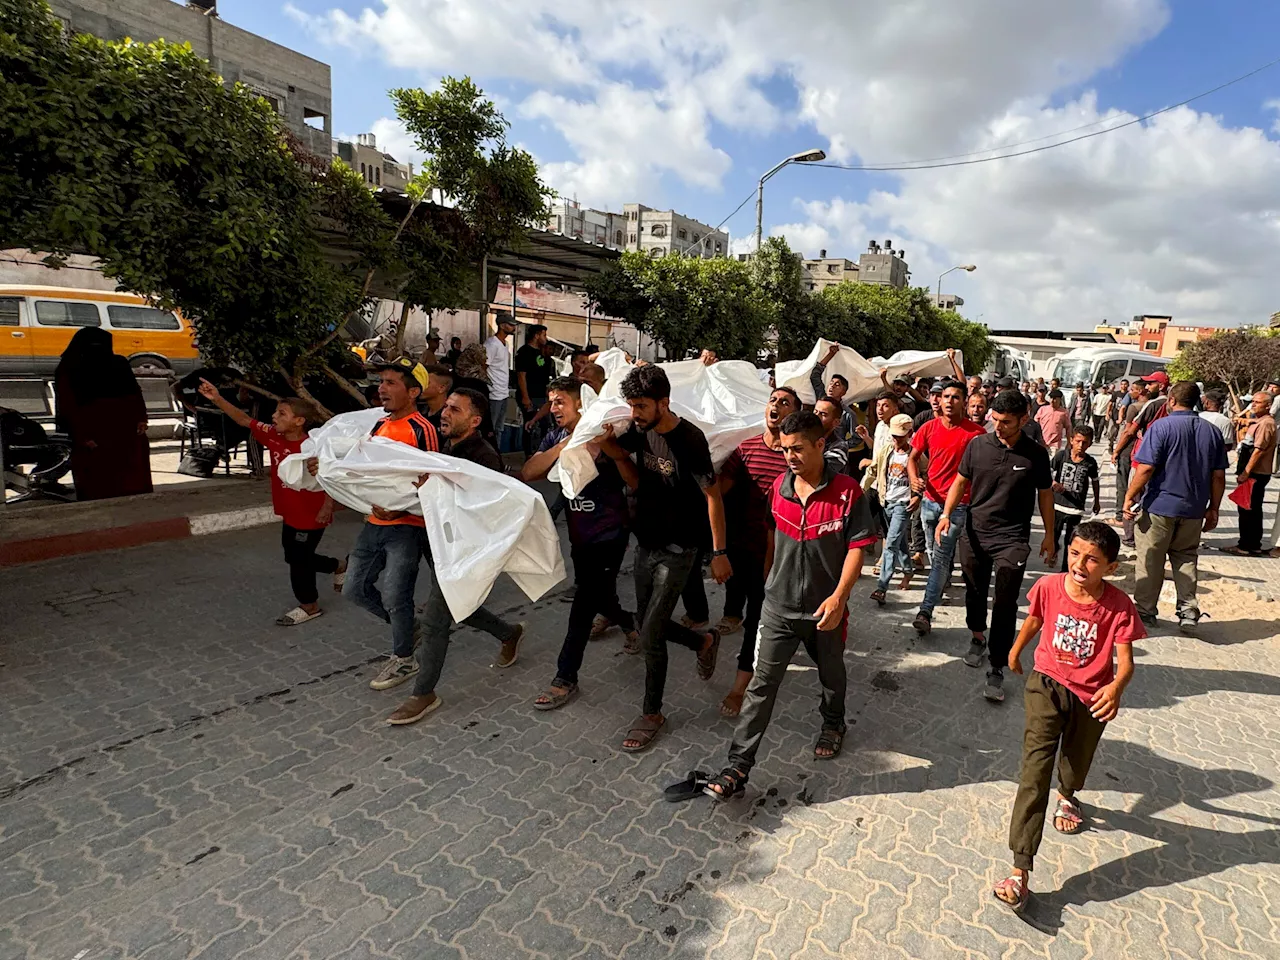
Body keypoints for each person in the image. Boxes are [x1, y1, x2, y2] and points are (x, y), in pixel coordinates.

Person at [702, 411, 877, 799]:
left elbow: (857, 549)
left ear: (819, 445)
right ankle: (738, 766)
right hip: (778, 609)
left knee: (831, 675)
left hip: (824, 612)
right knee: (762, 686)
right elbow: (771, 539)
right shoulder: (779, 487)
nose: (790, 457)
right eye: (784, 450)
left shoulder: (848, 492)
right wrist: (767, 584)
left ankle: (833, 724)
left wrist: (839, 597)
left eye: (798, 449)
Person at [992, 521, 1143, 913]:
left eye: (1092, 559)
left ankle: (1068, 795)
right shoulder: (1048, 586)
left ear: (1110, 568)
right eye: (1075, 553)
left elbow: (1125, 663)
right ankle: (1020, 869)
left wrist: (1115, 688)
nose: (1080, 564)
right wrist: (1015, 649)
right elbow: (1036, 619)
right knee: (1033, 772)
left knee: (1075, 764)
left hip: (1092, 697)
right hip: (1046, 684)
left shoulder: (1119, 606)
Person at [598, 364, 730, 753]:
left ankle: (652, 712)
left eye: (641, 406)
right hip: (647, 542)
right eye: (631, 405)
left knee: (651, 632)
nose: (634, 414)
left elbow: (712, 495)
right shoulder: (638, 431)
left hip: (681, 547)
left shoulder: (690, 439)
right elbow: (637, 480)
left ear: (664, 402)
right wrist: (614, 452)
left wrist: (718, 553)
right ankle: (703, 642)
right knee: (643, 620)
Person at [385, 386, 526, 725]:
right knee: (463, 609)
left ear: (475, 420)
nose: (444, 413)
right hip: (444, 547)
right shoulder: (450, 447)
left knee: (435, 622)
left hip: (466, 553)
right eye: (446, 407)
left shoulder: (483, 458)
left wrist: (428, 492)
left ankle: (423, 693)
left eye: (455, 410)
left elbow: (481, 511)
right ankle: (509, 633)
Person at [519, 377, 638, 709]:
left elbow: (633, 480)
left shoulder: (608, 433)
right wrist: (564, 446)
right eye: (551, 402)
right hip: (580, 534)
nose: (553, 408)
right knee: (599, 593)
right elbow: (529, 472)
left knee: (584, 603)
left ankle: (565, 677)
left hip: (610, 533)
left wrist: (609, 449)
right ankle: (632, 624)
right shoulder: (556, 436)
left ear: (580, 404)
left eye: (560, 402)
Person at [322, 358, 439, 692]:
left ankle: (404, 658)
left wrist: (398, 508)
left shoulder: (421, 428)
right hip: (374, 522)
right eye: (381, 381)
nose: (382, 388)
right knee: (354, 588)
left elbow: (430, 480)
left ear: (413, 391)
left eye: (391, 383)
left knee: (395, 594)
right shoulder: (378, 426)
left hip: (407, 526)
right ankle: (409, 629)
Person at [941, 389, 1055, 701]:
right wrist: (946, 514)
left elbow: (1045, 494)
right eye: (995, 419)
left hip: (1013, 539)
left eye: (1006, 422)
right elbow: (960, 482)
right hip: (975, 533)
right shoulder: (977, 445)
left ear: (1024, 419)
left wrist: (1049, 534)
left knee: (1005, 603)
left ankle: (997, 665)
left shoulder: (1036, 454)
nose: (998, 426)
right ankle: (977, 636)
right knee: (975, 592)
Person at [198, 380, 341, 625]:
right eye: (275, 412)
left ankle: (309, 605)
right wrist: (217, 398)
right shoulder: (274, 435)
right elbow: (244, 420)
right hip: (288, 508)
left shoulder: (313, 447)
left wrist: (328, 507)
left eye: (281, 413)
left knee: (299, 560)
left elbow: (331, 478)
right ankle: (339, 566)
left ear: (299, 421)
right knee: (294, 555)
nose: (274, 416)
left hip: (311, 511)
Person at [714, 386, 800, 717]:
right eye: (773, 400)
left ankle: (740, 687)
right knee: (744, 603)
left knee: (758, 620)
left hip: (776, 553)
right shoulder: (746, 448)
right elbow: (720, 490)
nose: (776, 405)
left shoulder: (794, 456)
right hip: (739, 546)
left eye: (785, 403)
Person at [1124, 381, 1226, 632]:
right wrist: (1214, 508)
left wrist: (1130, 496)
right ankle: (1188, 611)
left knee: (1150, 560)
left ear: (1171, 400)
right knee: (1186, 558)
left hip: (1159, 506)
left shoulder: (1161, 427)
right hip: (1193, 509)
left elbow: (1146, 468)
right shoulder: (1211, 432)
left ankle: (1146, 612)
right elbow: (1219, 476)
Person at [908, 381, 986, 635]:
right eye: (946, 396)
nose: (950, 401)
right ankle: (940, 582)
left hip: (957, 508)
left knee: (939, 559)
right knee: (934, 552)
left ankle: (925, 611)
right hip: (929, 502)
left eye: (956, 397)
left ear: (965, 402)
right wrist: (913, 478)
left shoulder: (975, 434)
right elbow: (912, 457)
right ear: (939, 401)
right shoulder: (928, 427)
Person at [53, 327, 152, 500]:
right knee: (108, 475)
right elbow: (69, 404)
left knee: (118, 475)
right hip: (98, 427)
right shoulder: (70, 367)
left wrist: (141, 419)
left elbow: (134, 392)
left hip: (118, 427)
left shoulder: (73, 365)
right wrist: (81, 435)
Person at [868, 413, 918, 603]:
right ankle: (907, 571)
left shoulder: (915, 455)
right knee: (898, 542)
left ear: (909, 433)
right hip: (886, 502)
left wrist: (917, 496)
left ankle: (882, 588)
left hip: (903, 506)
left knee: (890, 545)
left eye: (900, 436)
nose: (896, 439)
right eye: (894, 435)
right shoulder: (886, 451)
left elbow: (925, 474)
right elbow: (875, 470)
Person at [1224, 390, 1276, 556]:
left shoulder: (1266, 424)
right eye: (1252, 401)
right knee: (1247, 508)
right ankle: (1249, 543)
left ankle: (1247, 545)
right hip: (1251, 473)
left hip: (1256, 473)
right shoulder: (1259, 421)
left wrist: (1246, 472)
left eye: (1257, 402)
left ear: (1268, 406)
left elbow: (1258, 451)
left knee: (1250, 510)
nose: (1253, 405)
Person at [1051, 426, 1101, 572]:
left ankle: (1065, 569)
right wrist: (1053, 484)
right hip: (1057, 505)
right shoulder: (1061, 456)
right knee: (1054, 533)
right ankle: (1054, 550)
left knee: (1071, 540)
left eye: (1085, 442)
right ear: (1071, 440)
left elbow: (1095, 481)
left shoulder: (1090, 462)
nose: (1081, 445)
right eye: (1078, 441)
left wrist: (1096, 501)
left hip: (1076, 508)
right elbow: (1048, 472)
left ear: (1090, 444)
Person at [1109, 380, 1147, 544]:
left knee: (1123, 486)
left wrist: (1116, 451)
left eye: (1133, 389)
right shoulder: (1158, 406)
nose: (1130, 392)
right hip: (1141, 453)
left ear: (1139, 391)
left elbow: (1127, 431)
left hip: (1128, 452)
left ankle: (1121, 517)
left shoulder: (1135, 408)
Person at [515, 324, 553, 457]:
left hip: (542, 395)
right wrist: (525, 397)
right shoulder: (524, 352)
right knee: (531, 425)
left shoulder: (543, 352)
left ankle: (541, 452)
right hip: (530, 395)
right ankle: (529, 454)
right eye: (543, 335)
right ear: (536, 335)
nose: (545, 338)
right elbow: (521, 376)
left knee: (545, 425)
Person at [484, 312, 517, 443]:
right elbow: (483, 367)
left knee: (499, 428)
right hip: (494, 393)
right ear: (502, 326)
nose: (514, 327)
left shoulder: (505, 344)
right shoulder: (491, 344)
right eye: (511, 324)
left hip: (503, 392)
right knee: (491, 429)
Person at [1035, 389, 1072, 455]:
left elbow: (1068, 428)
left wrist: (1069, 442)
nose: (1052, 401)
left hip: (1054, 445)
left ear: (1060, 400)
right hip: (1041, 443)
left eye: (1055, 399)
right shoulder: (1042, 409)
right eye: (1051, 398)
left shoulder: (1064, 413)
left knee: (1051, 464)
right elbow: (1034, 424)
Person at [419, 364, 452, 435]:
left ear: (441, 388)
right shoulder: (418, 410)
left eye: (426, 382)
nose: (421, 385)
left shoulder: (449, 418)